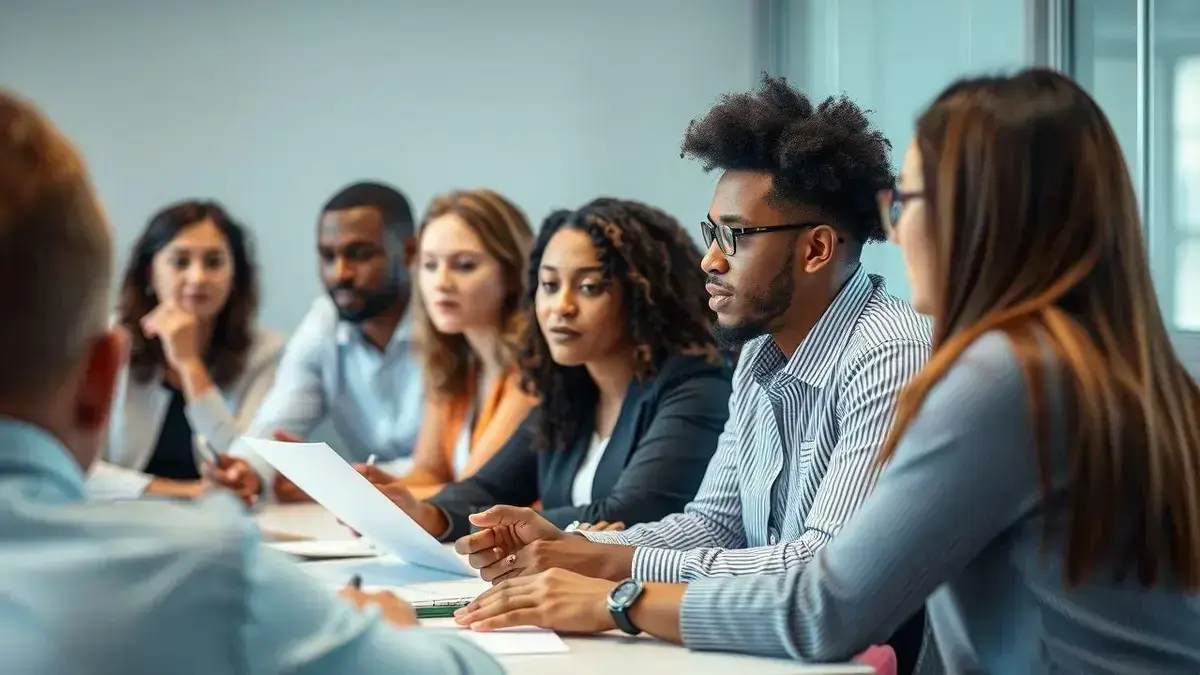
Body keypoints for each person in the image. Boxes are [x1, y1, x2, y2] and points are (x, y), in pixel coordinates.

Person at [449, 69, 1200, 673]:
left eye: (907, 200)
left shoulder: (998, 376)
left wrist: (616, 594)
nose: (894, 226)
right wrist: (591, 553)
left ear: (982, 214)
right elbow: (723, 523)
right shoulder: (1094, 359)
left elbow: (825, 602)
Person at [0, 90, 501, 675]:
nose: (340, 272)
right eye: (328, 255)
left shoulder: (272, 348)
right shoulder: (202, 572)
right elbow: (262, 442)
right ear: (101, 376)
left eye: (212, 261)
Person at [456, 75, 931, 672]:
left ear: (815, 249)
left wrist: (608, 570)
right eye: (712, 234)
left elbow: (821, 566)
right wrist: (574, 546)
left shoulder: (890, 353)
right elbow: (716, 524)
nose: (709, 259)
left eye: (734, 237)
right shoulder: (760, 354)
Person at [362, 198, 733, 541]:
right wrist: (427, 514)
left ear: (645, 297)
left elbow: (631, 512)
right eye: (550, 285)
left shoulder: (696, 388)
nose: (561, 306)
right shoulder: (570, 391)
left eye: (589, 287)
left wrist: (508, 525)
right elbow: (486, 490)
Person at [216, 181, 424, 504]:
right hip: (380, 516)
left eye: (360, 255)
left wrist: (335, 481)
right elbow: (275, 424)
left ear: (410, 252)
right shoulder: (325, 321)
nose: (340, 273)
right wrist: (247, 470)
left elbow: (459, 464)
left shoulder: (448, 318)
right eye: (328, 256)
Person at [86, 201, 282, 501]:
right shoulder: (107, 342)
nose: (198, 278)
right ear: (150, 273)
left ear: (235, 276)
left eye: (214, 262)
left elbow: (242, 466)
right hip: (121, 521)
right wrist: (185, 493)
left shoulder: (266, 352)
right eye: (180, 262)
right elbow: (77, 467)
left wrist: (189, 364)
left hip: (220, 527)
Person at [392, 189, 539, 500]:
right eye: (429, 265)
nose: (441, 283)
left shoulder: (534, 368)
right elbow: (428, 471)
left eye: (464, 265)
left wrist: (388, 496)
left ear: (512, 274)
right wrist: (359, 487)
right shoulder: (455, 362)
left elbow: (477, 492)